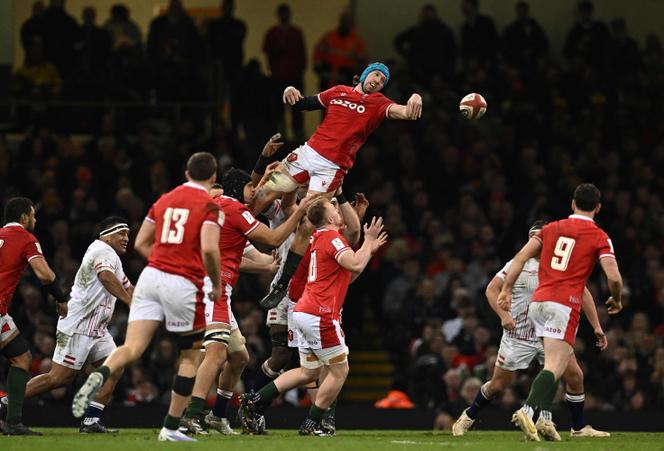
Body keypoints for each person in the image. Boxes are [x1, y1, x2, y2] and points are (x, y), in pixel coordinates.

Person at [71, 152, 224, 442]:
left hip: (150, 278)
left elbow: (141, 242)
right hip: (184, 283)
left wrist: (164, 262)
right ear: (213, 176)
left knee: (131, 347)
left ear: (186, 173)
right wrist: (214, 283)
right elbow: (208, 249)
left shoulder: (164, 200)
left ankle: (101, 374)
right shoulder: (209, 206)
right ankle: (170, 427)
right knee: (190, 356)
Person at [252, 62, 422, 308]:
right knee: (262, 195)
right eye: (376, 75)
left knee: (309, 224)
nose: (378, 81)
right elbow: (302, 103)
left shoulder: (379, 103)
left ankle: (281, 284)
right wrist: (289, 89)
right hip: (307, 153)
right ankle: (235, 239)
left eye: (383, 80)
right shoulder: (338, 92)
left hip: (331, 170)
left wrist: (415, 97)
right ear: (365, 74)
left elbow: (406, 112)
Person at [180, 168, 313, 435]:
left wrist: (267, 266)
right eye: (250, 187)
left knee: (239, 357)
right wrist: (300, 212)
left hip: (211, 288)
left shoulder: (221, 210)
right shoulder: (234, 210)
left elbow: (241, 256)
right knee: (216, 355)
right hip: (213, 289)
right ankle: (191, 415)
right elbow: (274, 238)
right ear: (239, 188)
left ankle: (217, 416)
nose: (255, 192)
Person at [239, 199, 388, 436]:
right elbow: (356, 266)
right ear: (329, 218)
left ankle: (255, 400)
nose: (338, 212)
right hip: (320, 314)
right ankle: (313, 423)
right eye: (335, 209)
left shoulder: (319, 238)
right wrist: (368, 242)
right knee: (340, 370)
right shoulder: (333, 239)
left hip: (303, 312)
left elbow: (349, 270)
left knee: (308, 372)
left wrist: (368, 246)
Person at [452, 221, 610, 439]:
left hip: (549, 333)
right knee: (498, 385)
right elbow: (491, 290)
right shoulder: (516, 264)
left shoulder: (558, 267)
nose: (537, 244)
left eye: (540, 239)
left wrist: (597, 326)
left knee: (574, 376)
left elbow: (584, 293)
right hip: (518, 335)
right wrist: (504, 316)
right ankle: (468, 416)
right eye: (533, 238)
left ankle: (574, 427)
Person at [497, 183, 623, 441]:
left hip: (538, 302)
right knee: (555, 365)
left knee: (568, 369)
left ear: (572, 204)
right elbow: (614, 278)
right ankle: (527, 410)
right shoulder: (599, 236)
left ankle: (574, 428)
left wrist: (506, 289)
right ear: (598, 207)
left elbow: (520, 258)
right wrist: (617, 299)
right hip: (563, 305)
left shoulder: (550, 228)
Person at [1, 217, 133, 433]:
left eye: (128, 234)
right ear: (107, 235)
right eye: (122, 233)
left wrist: (150, 306)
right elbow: (106, 278)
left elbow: (128, 287)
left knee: (115, 367)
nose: (126, 238)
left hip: (97, 329)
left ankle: (91, 421)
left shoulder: (113, 258)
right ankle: (7, 402)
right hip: (79, 326)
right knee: (59, 377)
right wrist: (130, 304)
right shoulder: (101, 251)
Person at [0, 197, 68, 435]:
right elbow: (45, 275)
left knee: (21, 357)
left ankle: (13, 421)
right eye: (33, 215)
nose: (35, 219)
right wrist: (60, 297)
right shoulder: (26, 239)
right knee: (21, 359)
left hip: (1, 313)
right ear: (23, 217)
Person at [263, 4, 307, 141]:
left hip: (294, 78)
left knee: (297, 110)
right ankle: (280, 136)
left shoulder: (296, 33)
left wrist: (300, 72)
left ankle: (298, 135)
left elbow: (302, 55)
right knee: (278, 110)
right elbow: (268, 53)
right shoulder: (273, 33)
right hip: (278, 79)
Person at [394, 4, 457, 87]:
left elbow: (452, 51)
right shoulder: (420, 31)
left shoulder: (442, 31)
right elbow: (398, 41)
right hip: (424, 72)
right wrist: (409, 56)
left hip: (436, 71)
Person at [313, 11, 366, 91]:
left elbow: (362, 61)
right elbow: (318, 51)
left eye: (347, 22)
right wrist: (318, 66)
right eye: (344, 21)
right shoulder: (329, 37)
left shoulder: (356, 41)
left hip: (345, 78)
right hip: (328, 77)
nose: (345, 24)